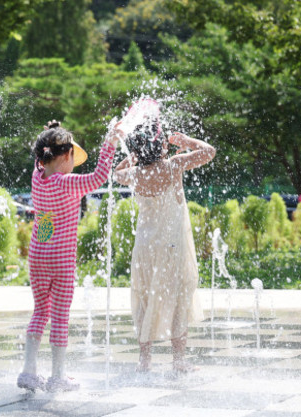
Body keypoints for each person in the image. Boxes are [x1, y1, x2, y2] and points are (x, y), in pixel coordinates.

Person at [18, 120, 123, 392]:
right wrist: (109, 144)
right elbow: (100, 177)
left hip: (38, 256)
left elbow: (40, 157)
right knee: (60, 315)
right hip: (61, 261)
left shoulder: (37, 177)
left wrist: (52, 131)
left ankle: (28, 372)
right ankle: (57, 376)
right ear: (65, 155)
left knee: (40, 311)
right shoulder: (67, 183)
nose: (74, 163)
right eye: (73, 157)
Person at [114, 121, 215, 372]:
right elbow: (209, 152)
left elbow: (116, 173)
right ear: (161, 148)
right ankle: (179, 361)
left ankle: (144, 361)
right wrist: (187, 142)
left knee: (144, 296)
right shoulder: (174, 166)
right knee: (179, 296)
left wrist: (133, 157)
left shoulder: (135, 174)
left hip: (145, 246)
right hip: (172, 245)